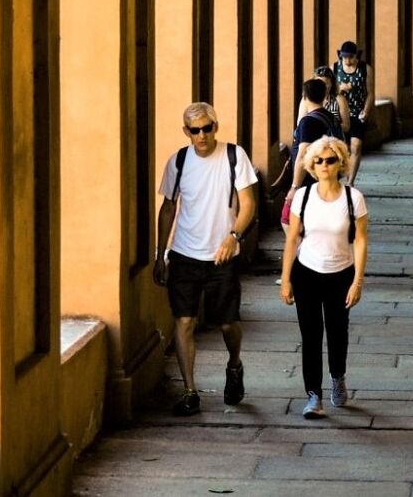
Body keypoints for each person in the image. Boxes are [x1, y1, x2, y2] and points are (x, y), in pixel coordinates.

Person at [154, 102, 258, 416]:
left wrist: (234, 236)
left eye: (207, 128)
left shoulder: (233, 156)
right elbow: (168, 208)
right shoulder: (179, 161)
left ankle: (235, 364)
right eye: (195, 130)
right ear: (186, 131)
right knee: (184, 321)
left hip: (221, 256)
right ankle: (190, 391)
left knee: (227, 324)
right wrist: (161, 254)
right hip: (185, 254)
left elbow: (248, 203)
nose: (202, 135)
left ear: (216, 126)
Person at [279, 136, 369, 417]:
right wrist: (286, 279)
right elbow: (292, 239)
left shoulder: (353, 198)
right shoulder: (303, 198)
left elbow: (361, 241)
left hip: (341, 273)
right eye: (318, 161)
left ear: (340, 162)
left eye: (330, 160)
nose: (324, 165)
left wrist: (357, 281)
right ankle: (313, 395)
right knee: (311, 335)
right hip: (306, 272)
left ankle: (337, 377)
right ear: (311, 166)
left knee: (338, 331)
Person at [286, 78, 344, 218]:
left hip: (309, 180)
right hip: (327, 176)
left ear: (304, 97)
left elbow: (302, 155)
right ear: (324, 96)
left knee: (287, 218)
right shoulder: (331, 117)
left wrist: (294, 187)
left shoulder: (308, 122)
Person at [333, 40, 374, 185]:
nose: (348, 60)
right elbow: (328, 91)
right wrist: (341, 88)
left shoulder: (365, 68)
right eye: (344, 57)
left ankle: (350, 182)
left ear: (356, 56)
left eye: (350, 57)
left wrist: (366, 111)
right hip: (339, 113)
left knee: (356, 146)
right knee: (340, 148)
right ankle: (338, 177)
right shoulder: (335, 68)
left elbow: (370, 93)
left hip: (358, 112)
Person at [299, 66, 351, 135]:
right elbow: (300, 124)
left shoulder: (339, 99)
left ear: (332, 84)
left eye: (325, 83)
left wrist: (325, 126)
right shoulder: (306, 99)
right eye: (319, 83)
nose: (322, 86)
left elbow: (346, 127)